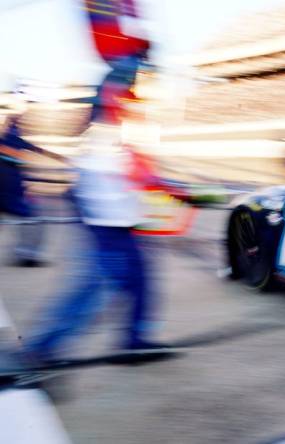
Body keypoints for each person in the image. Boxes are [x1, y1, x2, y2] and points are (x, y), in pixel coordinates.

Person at [22, 0, 172, 363]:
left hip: (115, 202)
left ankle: (134, 339)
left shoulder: (120, 89)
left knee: (138, 274)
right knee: (97, 281)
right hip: (105, 204)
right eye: (145, 62)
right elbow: (118, 155)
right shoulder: (118, 84)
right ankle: (42, 349)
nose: (148, 70)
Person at [0, 112, 50, 266]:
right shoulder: (12, 142)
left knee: (30, 221)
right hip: (10, 196)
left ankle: (26, 253)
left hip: (11, 194)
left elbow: (35, 150)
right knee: (33, 221)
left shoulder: (11, 141)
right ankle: (27, 254)